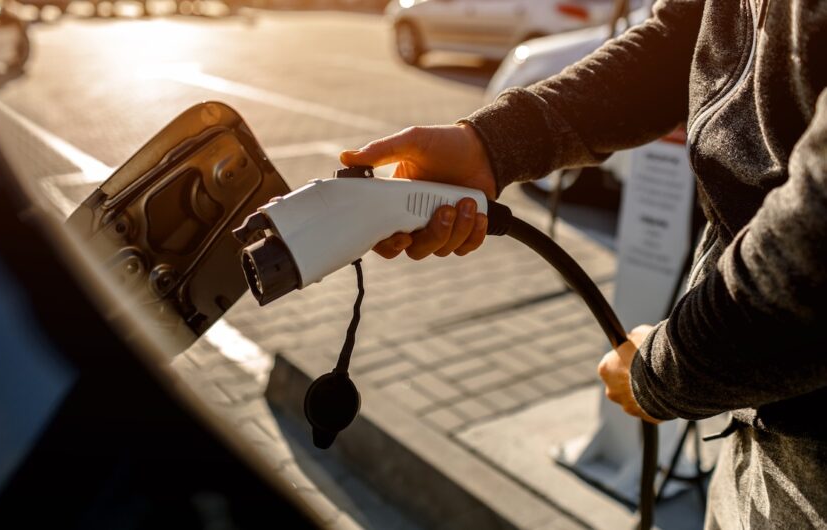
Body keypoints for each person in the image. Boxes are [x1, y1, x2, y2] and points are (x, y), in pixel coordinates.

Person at [340, 0, 827, 527]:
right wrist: (491, 146)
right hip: (759, 428)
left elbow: (814, 246)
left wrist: (664, 368)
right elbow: (686, 36)